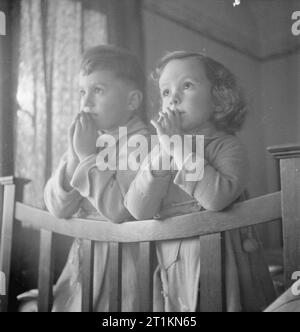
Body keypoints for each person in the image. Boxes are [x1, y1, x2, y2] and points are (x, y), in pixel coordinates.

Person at [124, 51, 276, 312]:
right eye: (166, 92)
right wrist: (165, 149)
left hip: (224, 263)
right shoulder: (161, 152)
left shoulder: (227, 146)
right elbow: (138, 210)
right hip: (175, 263)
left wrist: (178, 146)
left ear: (218, 100)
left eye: (187, 85)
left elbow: (216, 198)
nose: (174, 98)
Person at [17, 45, 148, 312]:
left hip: (125, 265)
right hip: (83, 263)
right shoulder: (87, 141)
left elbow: (120, 210)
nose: (86, 102)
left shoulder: (142, 143)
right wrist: (77, 156)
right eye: (82, 92)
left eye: (98, 91)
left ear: (132, 101)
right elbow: (58, 207)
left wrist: (86, 155)